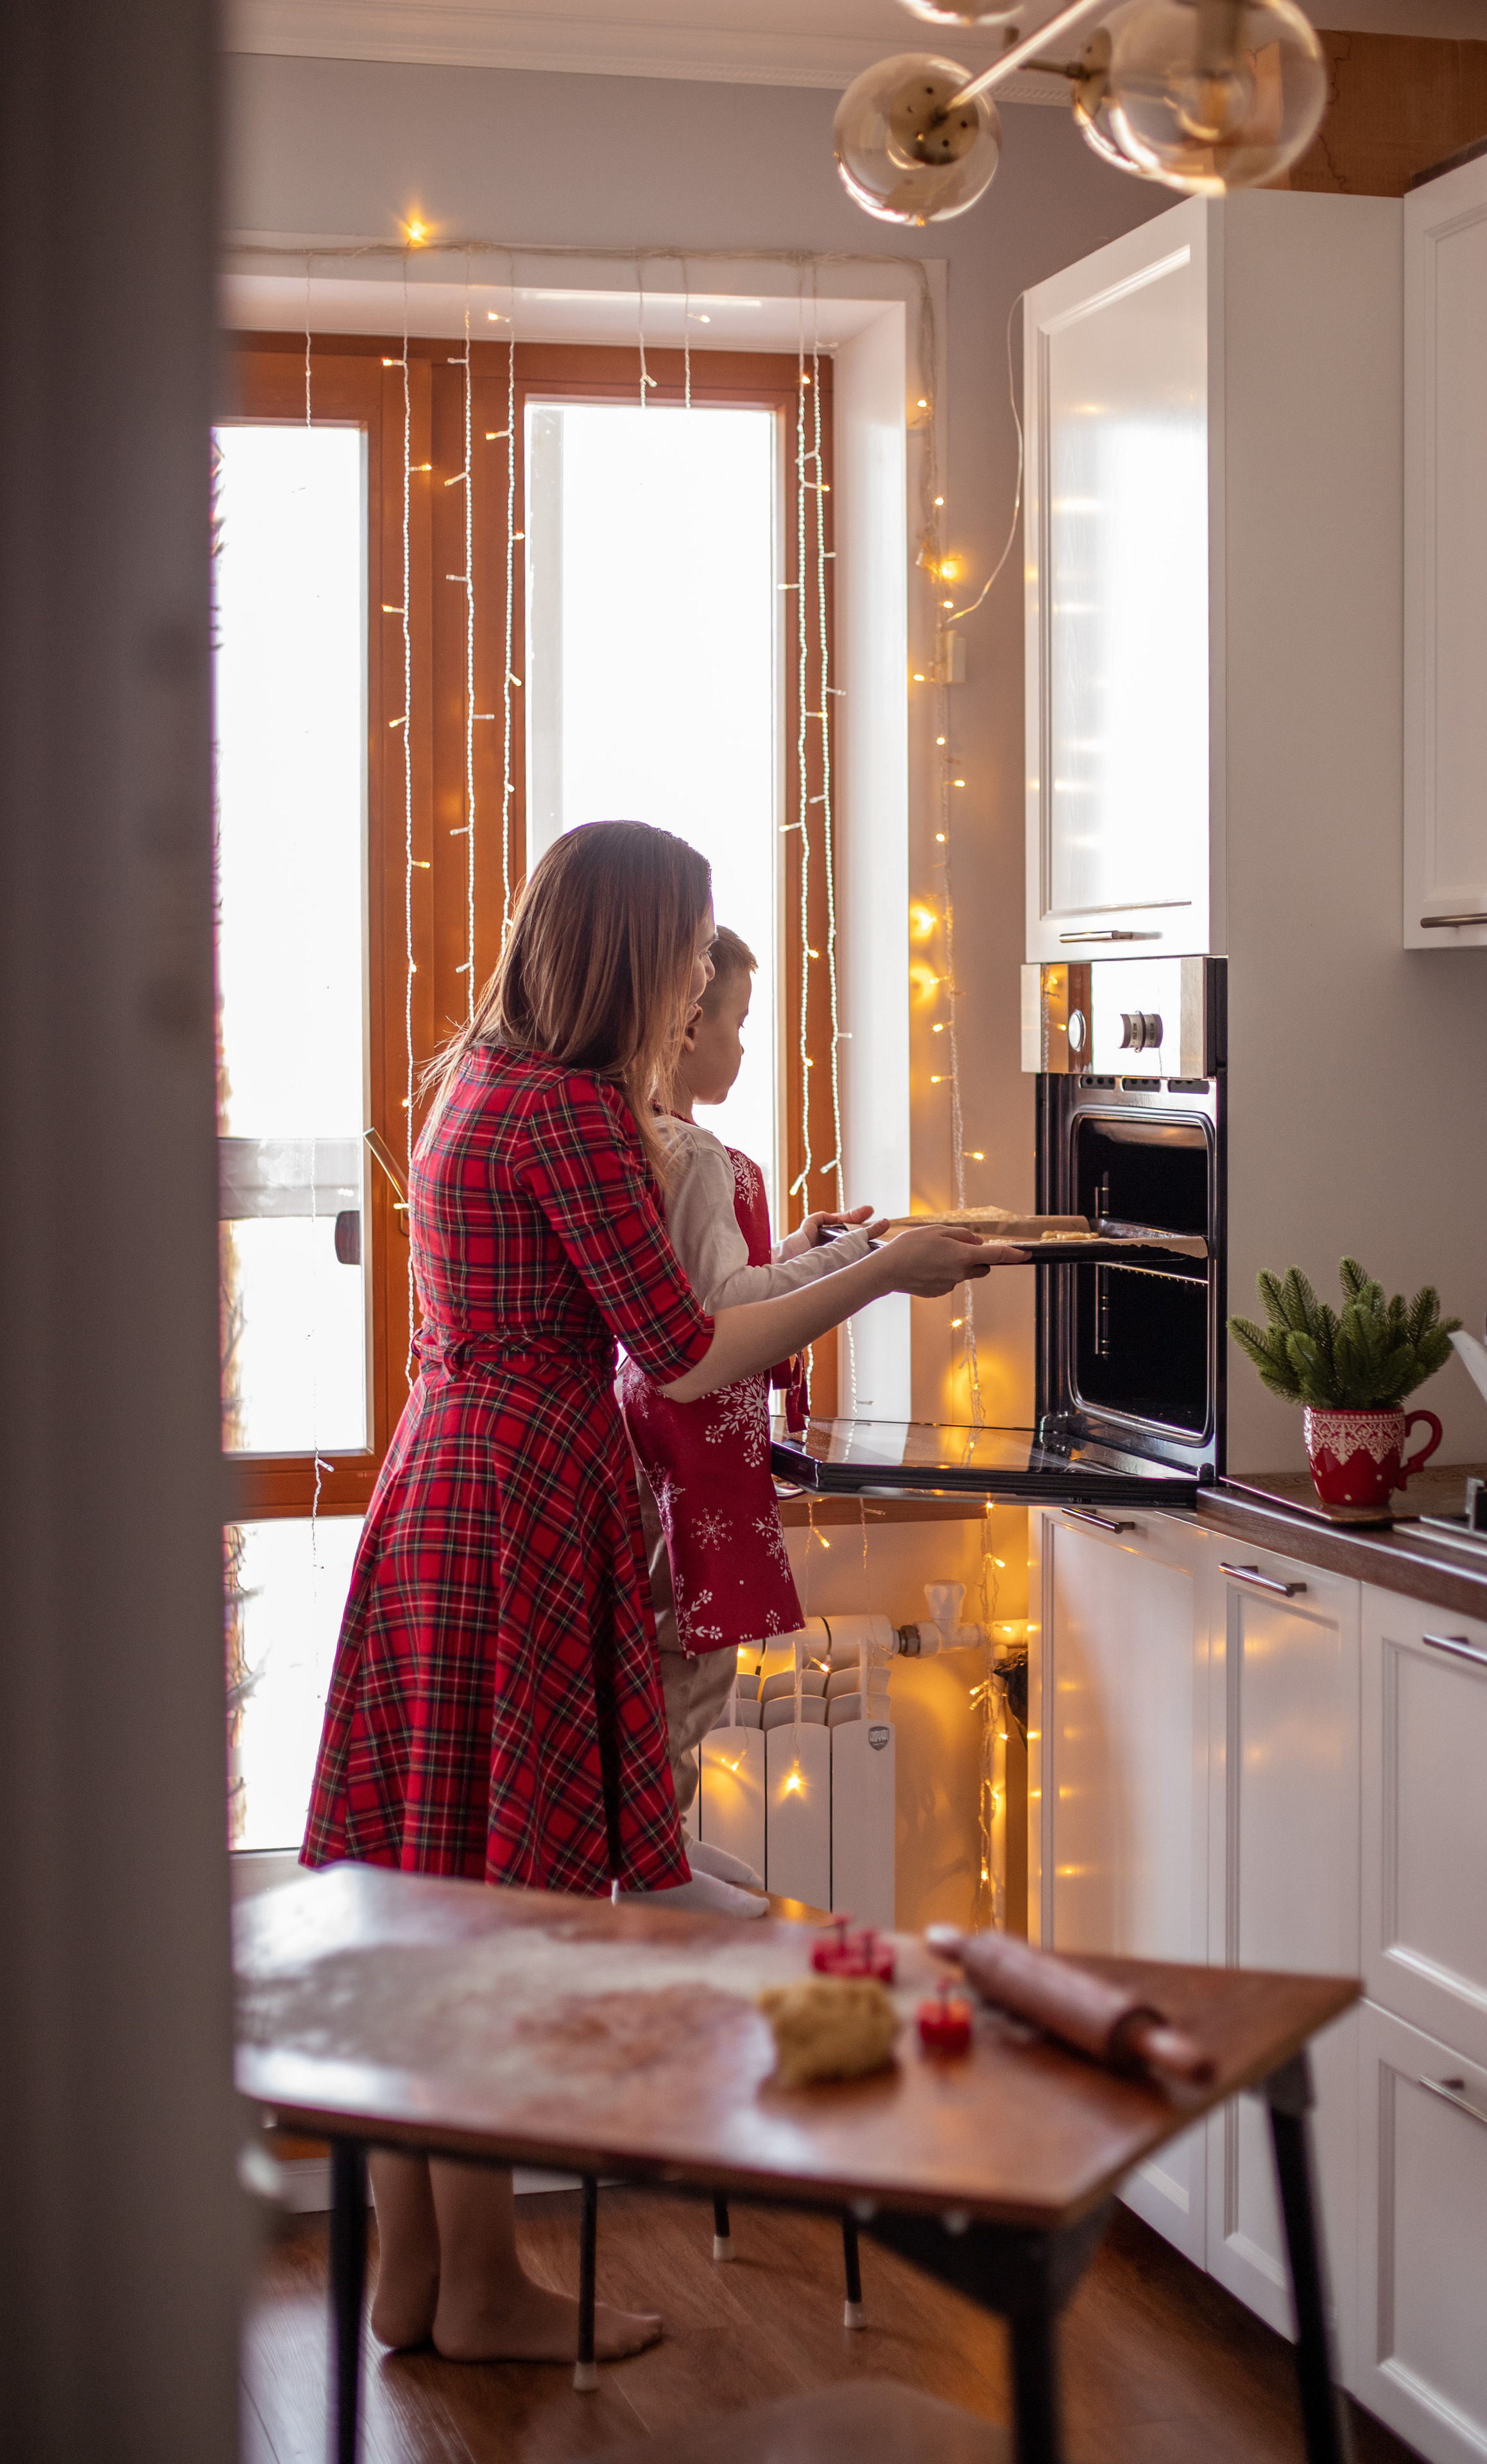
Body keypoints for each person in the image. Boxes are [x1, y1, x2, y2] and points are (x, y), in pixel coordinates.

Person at [299, 819, 1019, 2366]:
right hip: (520, 1509)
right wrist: (885, 1273)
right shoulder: (566, 1113)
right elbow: (684, 1349)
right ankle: (483, 2287)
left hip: (449, 1483)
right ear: (636, 951)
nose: (700, 978)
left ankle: (417, 2277)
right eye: (691, 953)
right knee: (512, 1923)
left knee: (445, 1907)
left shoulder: (475, 1084)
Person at [619, 926, 880, 1847]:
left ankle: (662, 1863)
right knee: (686, 1680)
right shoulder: (694, 1157)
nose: (742, 1044)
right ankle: (661, 1869)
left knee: (671, 1671)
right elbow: (721, 1312)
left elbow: (701, 1288)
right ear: (688, 1027)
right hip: (693, 1460)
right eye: (737, 1021)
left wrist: (798, 1252)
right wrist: (858, 1262)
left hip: (658, 1446)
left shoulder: (652, 1141)